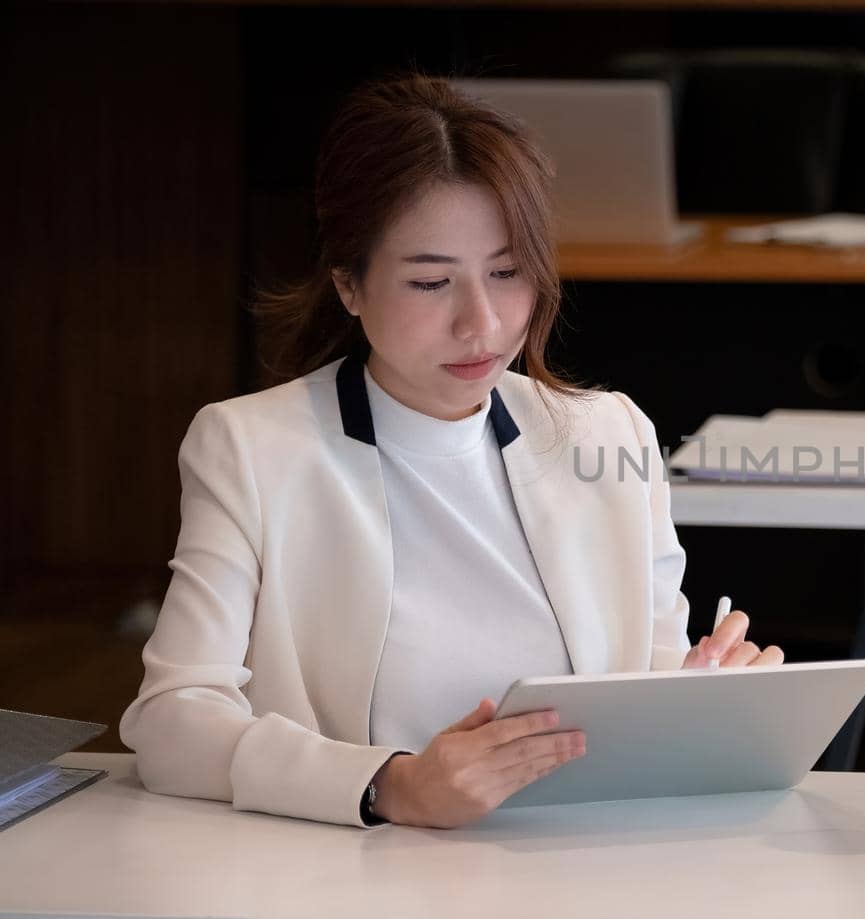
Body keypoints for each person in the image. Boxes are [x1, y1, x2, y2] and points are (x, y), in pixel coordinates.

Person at [119, 74, 781, 830]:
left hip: (585, 865)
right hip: (352, 877)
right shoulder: (250, 448)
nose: (483, 323)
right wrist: (388, 785)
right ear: (349, 285)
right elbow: (170, 723)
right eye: (432, 281)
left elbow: (648, 678)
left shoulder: (611, 433)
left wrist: (706, 691)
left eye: (507, 273)